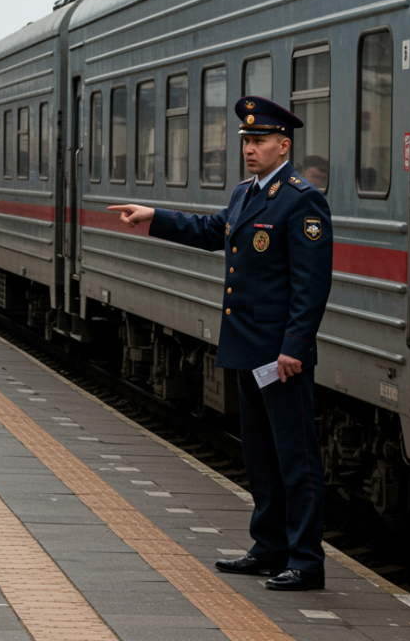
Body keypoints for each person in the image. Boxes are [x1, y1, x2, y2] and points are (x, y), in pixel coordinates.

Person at [107, 96, 333, 592]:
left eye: (258, 141)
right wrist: (153, 216)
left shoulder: (302, 200)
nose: (249, 149)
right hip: (248, 346)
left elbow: (310, 285)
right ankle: (269, 546)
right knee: (260, 456)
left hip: (280, 355)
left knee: (296, 460)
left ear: (283, 145)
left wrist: (293, 347)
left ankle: (306, 561)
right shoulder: (246, 194)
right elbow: (212, 230)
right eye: (246, 142)